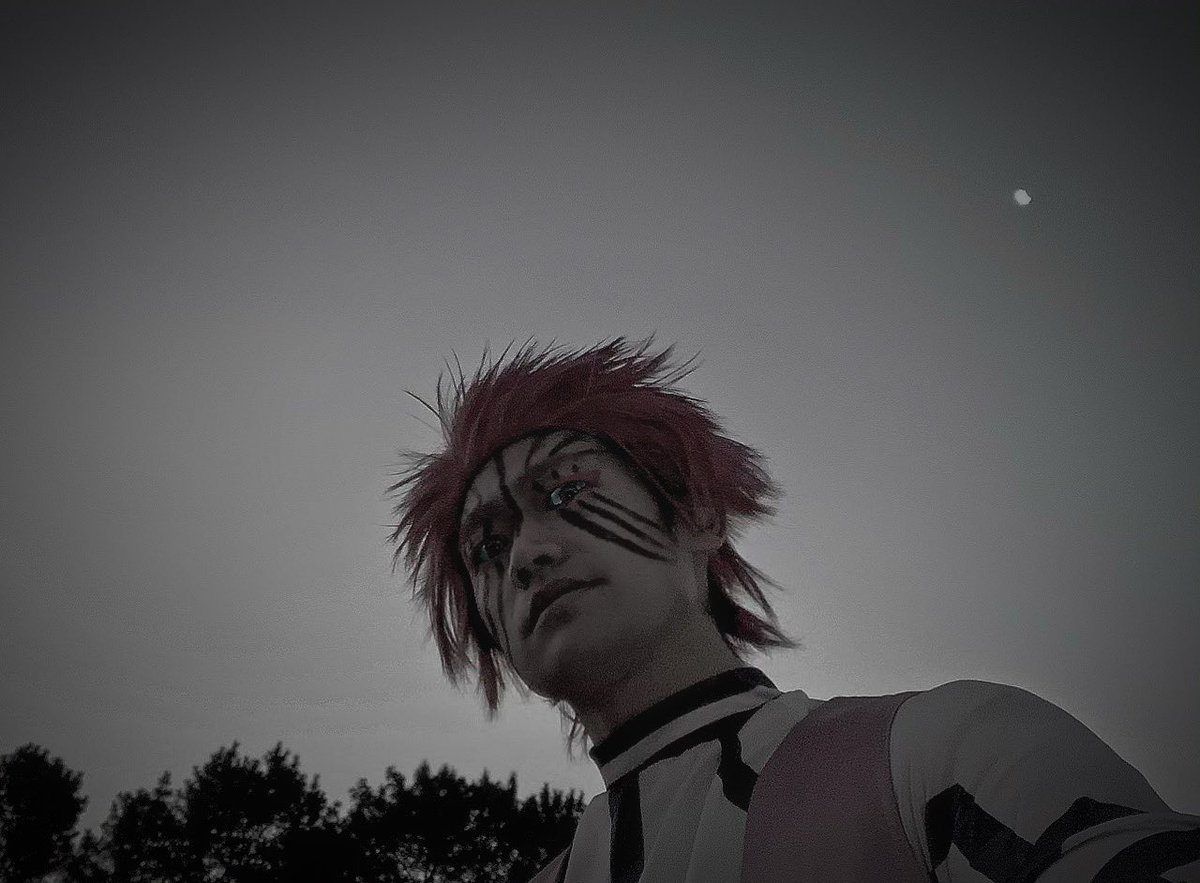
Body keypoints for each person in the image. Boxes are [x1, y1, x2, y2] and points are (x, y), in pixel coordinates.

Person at [384, 334, 1199, 882]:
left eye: (566, 492)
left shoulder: (940, 752)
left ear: (697, 515)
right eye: (486, 546)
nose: (526, 553)